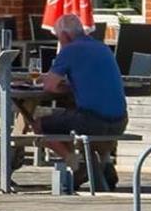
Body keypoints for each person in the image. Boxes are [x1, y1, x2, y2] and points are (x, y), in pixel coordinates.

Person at [36, 13, 127, 188]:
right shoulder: (103, 48)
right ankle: (105, 163)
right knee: (69, 118)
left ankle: (76, 165)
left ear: (65, 35)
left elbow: (49, 87)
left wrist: (58, 86)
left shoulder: (69, 50)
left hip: (93, 121)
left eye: (58, 37)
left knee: (39, 123)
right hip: (120, 121)